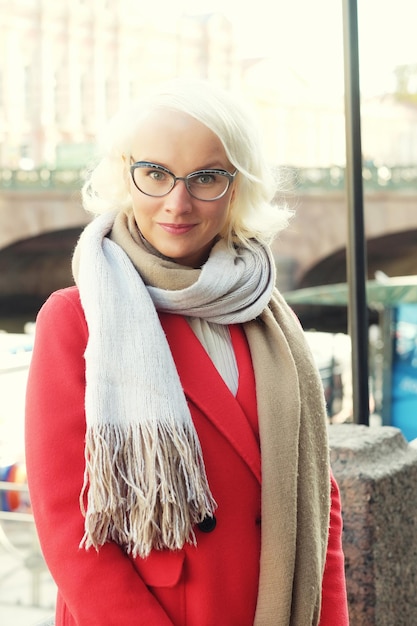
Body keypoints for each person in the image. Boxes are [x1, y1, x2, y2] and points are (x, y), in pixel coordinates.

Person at [25, 79, 349, 626]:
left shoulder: (268, 316)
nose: (178, 202)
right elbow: (65, 521)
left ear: (238, 186)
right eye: (155, 174)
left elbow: (320, 497)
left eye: (206, 178)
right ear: (125, 176)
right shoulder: (77, 317)